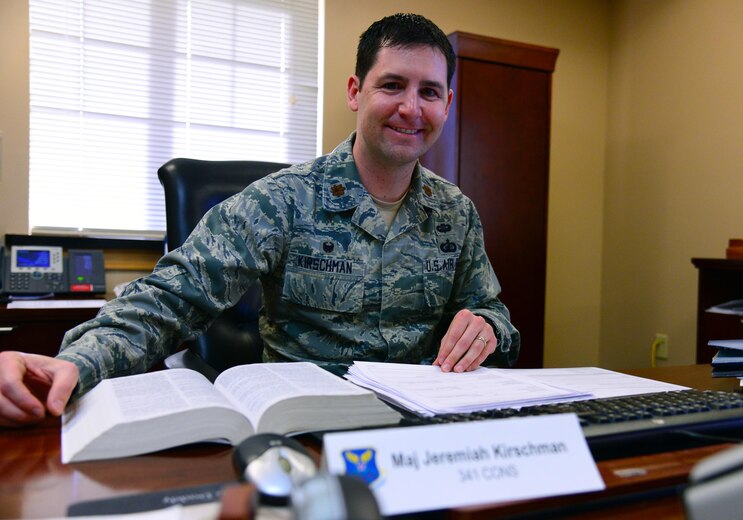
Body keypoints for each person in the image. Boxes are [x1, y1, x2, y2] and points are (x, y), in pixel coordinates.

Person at [0, 13, 520, 428]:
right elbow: (172, 296)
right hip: (305, 435)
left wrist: (489, 327)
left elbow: (490, 311)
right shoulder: (282, 201)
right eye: (392, 86)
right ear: (355, 91)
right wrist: (77, 362)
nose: (411, 107)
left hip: (422, 431)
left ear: (447, 103)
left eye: (429, 92)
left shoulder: (456, 212)